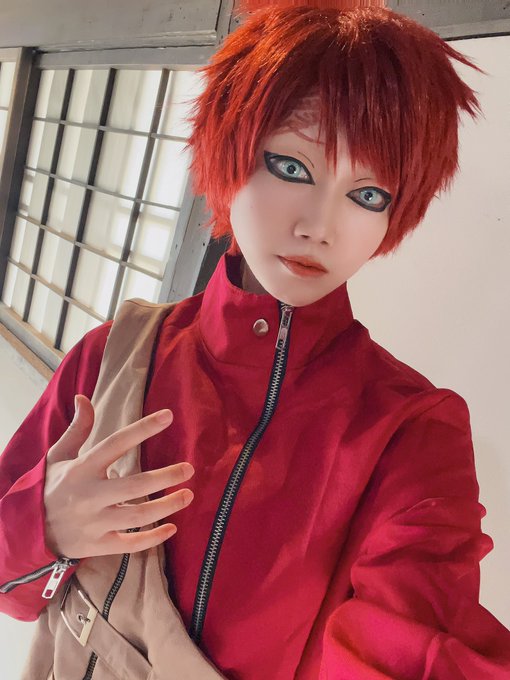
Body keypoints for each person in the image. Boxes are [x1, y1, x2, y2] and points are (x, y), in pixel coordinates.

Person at [1, 0, 510, 678]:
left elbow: (418, 634)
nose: (319, 226)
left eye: (368, 195)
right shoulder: (112, 354)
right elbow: (11, 591)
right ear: (228, 153)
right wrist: (43, 526)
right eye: (292, 167)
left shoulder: (411, 431)